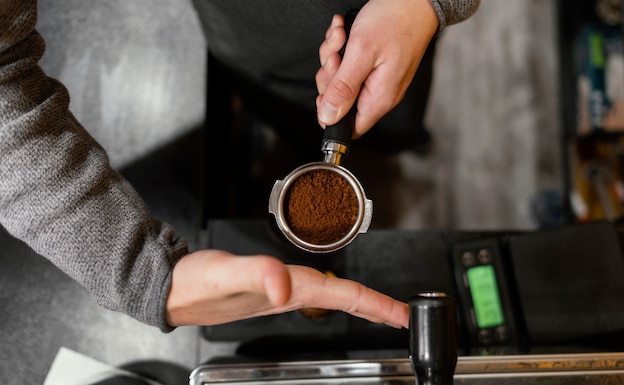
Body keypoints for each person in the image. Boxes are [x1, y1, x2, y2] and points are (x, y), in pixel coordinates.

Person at [0, 0, 479, 333]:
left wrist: (426, 5)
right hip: (248, 37)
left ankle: (401, 142)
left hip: (395, 27)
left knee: (393, 119)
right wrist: (139, 275)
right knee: (283, 103)